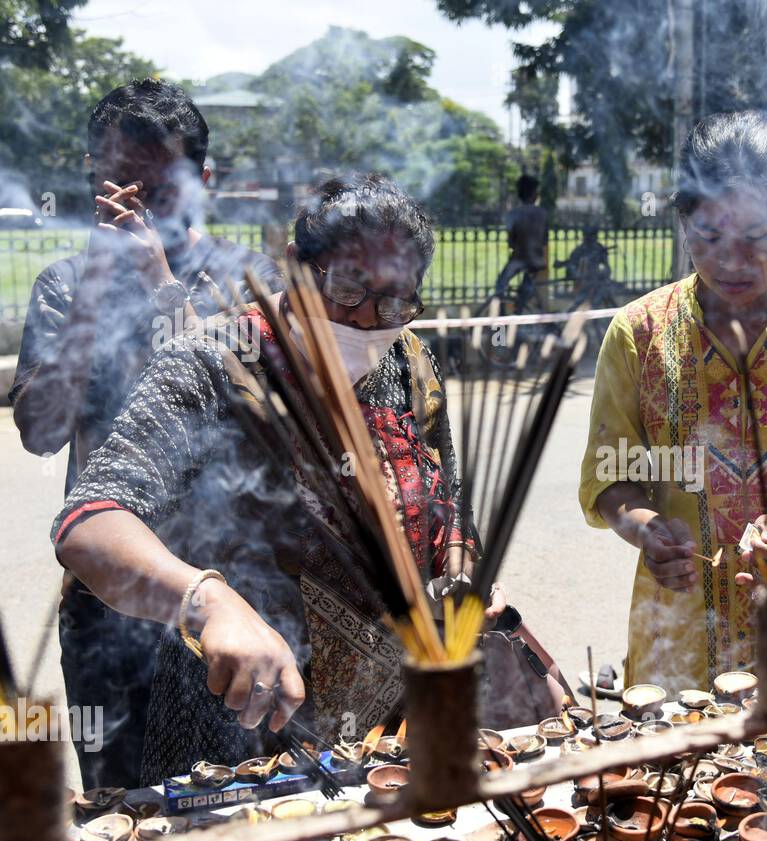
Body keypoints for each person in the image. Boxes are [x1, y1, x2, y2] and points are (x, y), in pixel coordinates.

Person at [52, 174, 503, 784]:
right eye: (349, 287)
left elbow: (448, 500)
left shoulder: (409, 362)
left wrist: (464, 576)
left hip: (385, 728)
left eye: (396, 301)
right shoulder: (215, 360)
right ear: (295, 264)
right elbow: (91, 522)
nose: (369, 320)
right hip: (238, 730)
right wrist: (207, 604)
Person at [578, 111, 767, 744]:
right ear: (681, 222)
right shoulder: (638, 334)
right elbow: (611, 475)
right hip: (676, 632)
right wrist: (645, 530)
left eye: (755, 234)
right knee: (672, 813)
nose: (732, 260)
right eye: (708, 235)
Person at [7, 78, 281, 789]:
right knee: (122, 814)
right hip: (109, 600)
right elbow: (39, 431)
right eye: (115, 184)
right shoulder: (66, 285)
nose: (131, 206)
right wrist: (97, 293)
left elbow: (252, 417)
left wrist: (162, 283)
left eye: (155, 191)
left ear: (202, 180)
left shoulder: (245, 279)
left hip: (232, 593)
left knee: (241, 806)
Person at [493, 173, 549, 308]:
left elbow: (511, 242)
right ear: (534, 194)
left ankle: (501, 325)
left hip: (518, 260)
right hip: (537, 260)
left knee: (500, 285)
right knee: (526, 288)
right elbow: (544, 240)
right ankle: (519, 310)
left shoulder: (513, 214)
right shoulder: (543, 213)